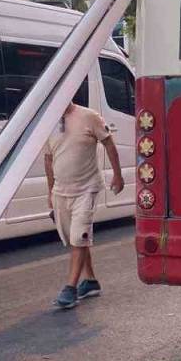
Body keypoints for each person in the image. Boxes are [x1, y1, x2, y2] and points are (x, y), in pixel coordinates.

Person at [44, 100, 124, 309]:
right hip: (60, 191)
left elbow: (109, 143)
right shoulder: (48, 122)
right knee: (74, 237)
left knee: (79, 235)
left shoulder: (89, 116)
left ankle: (70, 288)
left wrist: (118, 175)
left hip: (87, 188)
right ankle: (90, 281)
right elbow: (48, 159)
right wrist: (49, 192)